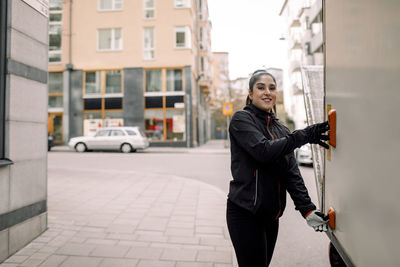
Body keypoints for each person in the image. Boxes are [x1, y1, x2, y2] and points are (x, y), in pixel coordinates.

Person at [226, 69, 330, 267]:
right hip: (245, 213)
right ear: (250, 94)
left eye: (272, 88)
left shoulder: (281, 129)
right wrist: (305, 135)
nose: (267, 92)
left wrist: (307, 210)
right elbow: (263, 151)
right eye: (261, 87)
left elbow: (291, 173)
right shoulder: (241, 120)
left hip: (271, 216)